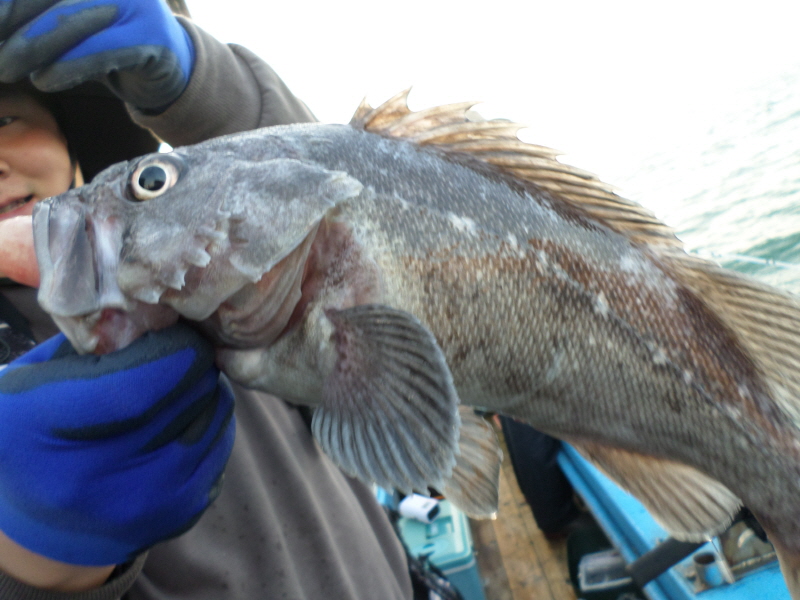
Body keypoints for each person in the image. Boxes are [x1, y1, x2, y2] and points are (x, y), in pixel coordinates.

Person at [0, 1, 413, 598]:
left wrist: (203, 82)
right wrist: (24, 567)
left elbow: (343, 196)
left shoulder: (203, 255)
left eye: (6, 121)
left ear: (69, 128)